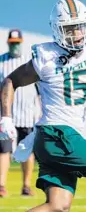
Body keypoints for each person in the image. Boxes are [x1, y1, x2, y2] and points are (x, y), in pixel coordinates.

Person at [0, 0, 86, 211]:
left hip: (61, 137)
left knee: (57, 206)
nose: (77, 34)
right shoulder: (46, 56)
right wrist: (6, 118)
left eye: (80, 27)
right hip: (57, 134)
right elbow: (11, 81)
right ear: (58, 30)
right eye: (70, 29)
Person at [0, 29, 41, 197]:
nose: (15, 46)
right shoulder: (1, 61)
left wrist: (40, 111)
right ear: (8, 43)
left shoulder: (29, 62)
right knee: (4, 150)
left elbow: (40, 89)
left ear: (21, 43)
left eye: (17, 43)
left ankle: (26, 186)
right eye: (12, 43)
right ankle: (1, 185)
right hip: (6, 115)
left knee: (27, 151)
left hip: (27, 114)